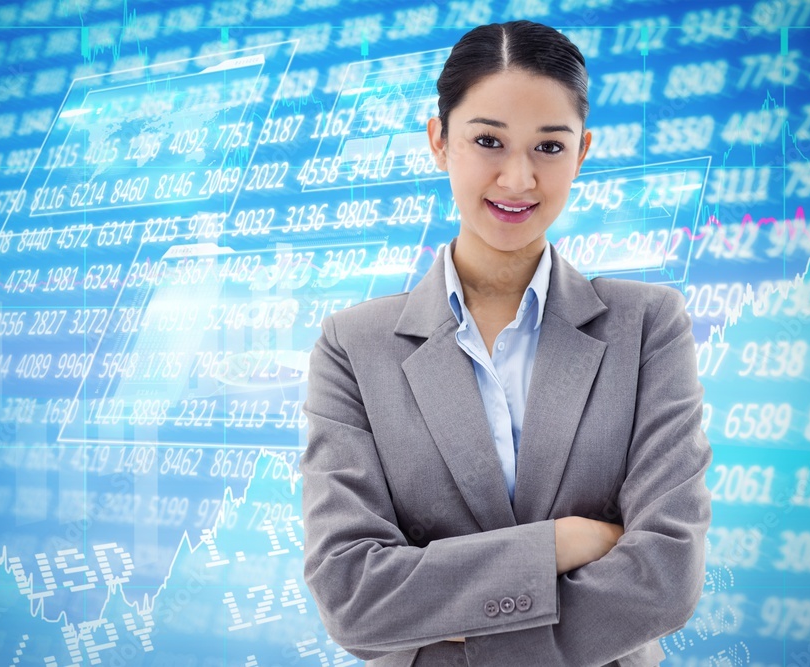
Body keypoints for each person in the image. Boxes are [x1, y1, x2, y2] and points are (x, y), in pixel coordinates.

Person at [299, 20, 712, 667]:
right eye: (489, 140)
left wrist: (449, 623)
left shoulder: (648, 325)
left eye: (549, 146)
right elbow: (353, 595)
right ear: (438, 141)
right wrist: (556, 544)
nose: (518, 179)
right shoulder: (354, 346)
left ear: (583, 151)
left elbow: (664, 574)